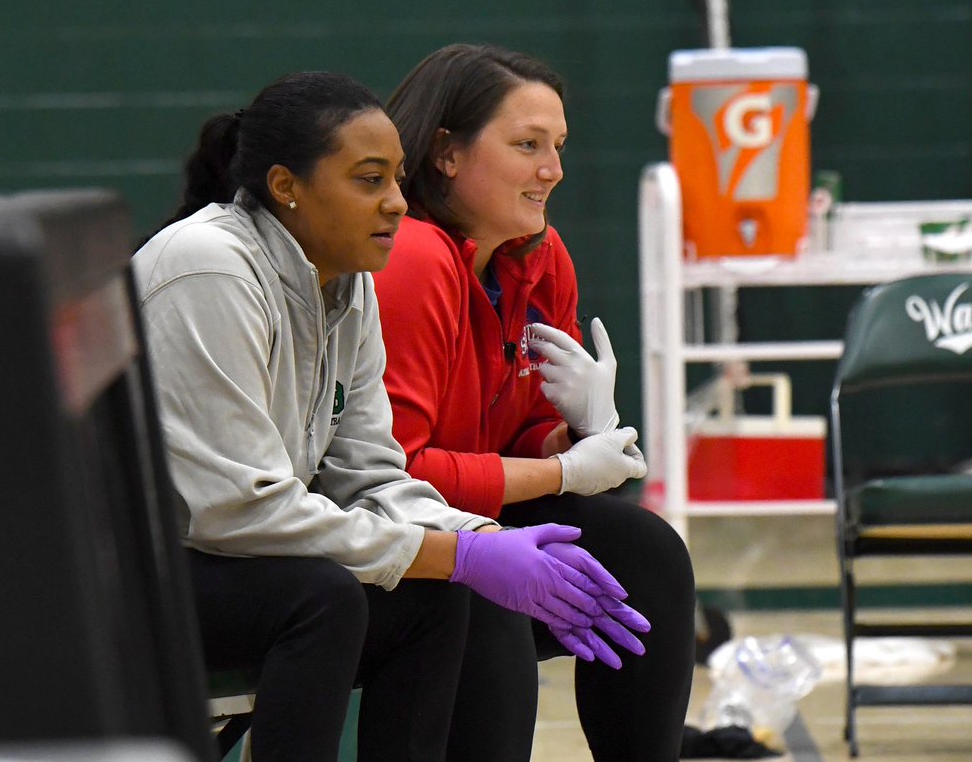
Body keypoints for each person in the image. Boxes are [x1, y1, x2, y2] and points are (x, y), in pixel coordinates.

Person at [131, 70, 650, 762]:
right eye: (369, 180)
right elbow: (238, 511)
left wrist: (482, 538)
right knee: (325, 597)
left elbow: (370, 474)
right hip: (129, 579)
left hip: (232, 562)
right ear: (287, 187)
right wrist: (461, 550)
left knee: (439, 597)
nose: (397, 204)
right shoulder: (209, 269)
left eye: (398, 180)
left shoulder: (345, 281)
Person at [375, 44, 697, 762]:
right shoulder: (413, 257)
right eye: (527, 145)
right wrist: (563, 473)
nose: (552, 168)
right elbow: (398, 475)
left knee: (645, 554)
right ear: (446, 154)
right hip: (387, 530)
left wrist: (569, 431)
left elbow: (517, 435)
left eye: (558, 145)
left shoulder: (539, 256)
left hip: (477, 514)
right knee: (486, 601)